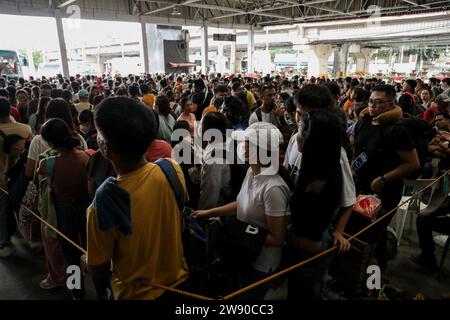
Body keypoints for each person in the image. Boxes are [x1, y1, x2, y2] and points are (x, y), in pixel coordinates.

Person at [87, 96, 189, 300]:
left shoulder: (101, 206)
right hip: (181, 286)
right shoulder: (171, 168)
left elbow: (98, 269)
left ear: (105, 148)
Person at [193, 122, 290, 299]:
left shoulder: (273, 188)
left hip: (261, 263)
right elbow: (240, 203)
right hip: (244, 254)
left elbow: (277, 238)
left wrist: (239, 234)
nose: (242, 147)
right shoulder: (251, 173)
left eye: (247, 143)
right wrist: (209, 213)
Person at [354, 84, 420, 267]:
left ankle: (373, 274)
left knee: (373, 234)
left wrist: (384, 178)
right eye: (370, 101)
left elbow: (413, 163)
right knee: (359, 231)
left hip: (383, 193)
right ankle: (356, 271)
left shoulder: (398, 130)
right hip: (361, 188)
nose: (372, 106)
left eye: (378, 102)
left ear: (391, 104)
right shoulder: (364, 121)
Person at [287, 110, 344, 300]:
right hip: (313, 239)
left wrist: (274, 235)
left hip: (308, 251)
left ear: (315, 141)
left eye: (301, 132)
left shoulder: (321, 183)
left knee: (304, 292)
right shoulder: (321, 163)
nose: (297, 136)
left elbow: (313, 245)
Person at [38, 118, 90, 299]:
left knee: (70, 256)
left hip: (62, 211)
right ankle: (103, 289)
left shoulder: (47, 164)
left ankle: (77, 293)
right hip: (86, 208)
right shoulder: (87, 158)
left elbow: (40, 177)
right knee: (94, 250)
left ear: (51, 142)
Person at [0, 97, 32, 258]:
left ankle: (4, 242)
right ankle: (33, 240)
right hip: (24, 176)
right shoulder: (25, 129)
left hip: (2, 180)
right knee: (27, 208)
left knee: (3, 212)